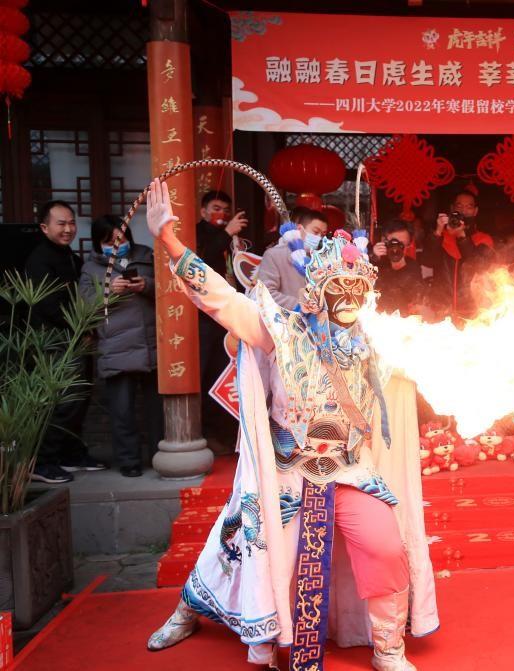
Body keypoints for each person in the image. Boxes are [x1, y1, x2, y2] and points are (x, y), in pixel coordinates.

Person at [143, 180, 437, 670]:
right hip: (287, 472)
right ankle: (188, 608)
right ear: (317, 291)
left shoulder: (376, 340)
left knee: (386, 545)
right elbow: (223, 300)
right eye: (339, 289)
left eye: (357, 290)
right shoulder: (281, 330)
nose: (349, 299)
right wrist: (171, 240)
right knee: (246, 543)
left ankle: (388, 646)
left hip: (350, 470)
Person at [25, 201, 106, 483]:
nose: (68, 229)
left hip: (77, 336)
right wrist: (78, 327)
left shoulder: (70, 256)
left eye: (71, 223)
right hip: (55, 340)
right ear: (44, 227)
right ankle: (42, 462)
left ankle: (70, 454)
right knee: (60, 402)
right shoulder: (40, 259)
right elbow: (48, 305)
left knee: (79, 398)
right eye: (61, 223)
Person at [78, 215, 162, 477]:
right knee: (122, 412)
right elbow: (84, 307)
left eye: (121, 238)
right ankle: (129, 462)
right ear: (98, 243)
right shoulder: (90, 269)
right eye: (109, 241)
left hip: (151, 344)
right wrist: (108, 291)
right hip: (116, 346)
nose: (117, 244)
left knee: (157, 410)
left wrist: (146, 285)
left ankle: (160, 456)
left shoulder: (147, 256)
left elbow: (170, 289)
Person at [196, 190, 247, 453]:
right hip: (206, 318)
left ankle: (227, 434)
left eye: (226, 211)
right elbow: (200, 263)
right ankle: (207, 433)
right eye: (216, 208)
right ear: (203, 211)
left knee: (228, 374)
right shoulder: (199, 234)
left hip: (230, 316)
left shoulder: (232, 238)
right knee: (209, 376)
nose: (222, 215)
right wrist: (226, 233)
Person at [421, 190, 494, 318]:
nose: (463, 211)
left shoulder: (483, 239)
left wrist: (462, 236)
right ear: (452, 209)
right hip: (441, 310)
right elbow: (428, 261)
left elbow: (480, 266)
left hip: (472, 311)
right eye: (459, 206)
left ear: (475, 211)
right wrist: (438, 231)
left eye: (469, 207)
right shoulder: (441, 236)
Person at [256, 207, 329, 310]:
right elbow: (265, 293)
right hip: (284, 317)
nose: (319, 238)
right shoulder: (274, 255)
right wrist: (301, 305)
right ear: (300, 229)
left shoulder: (321, 260)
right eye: (316, 232)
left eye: (322, 235)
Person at [372, 219, 424, 316]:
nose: (396, 248)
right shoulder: (375, 262)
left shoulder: (413, 267)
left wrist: (401, 264)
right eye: (393, 243)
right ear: (385, 241)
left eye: (401, 244)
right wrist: (373, 257)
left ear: (408, 245)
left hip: (402, 319)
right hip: (376, 317)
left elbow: (417, 298)